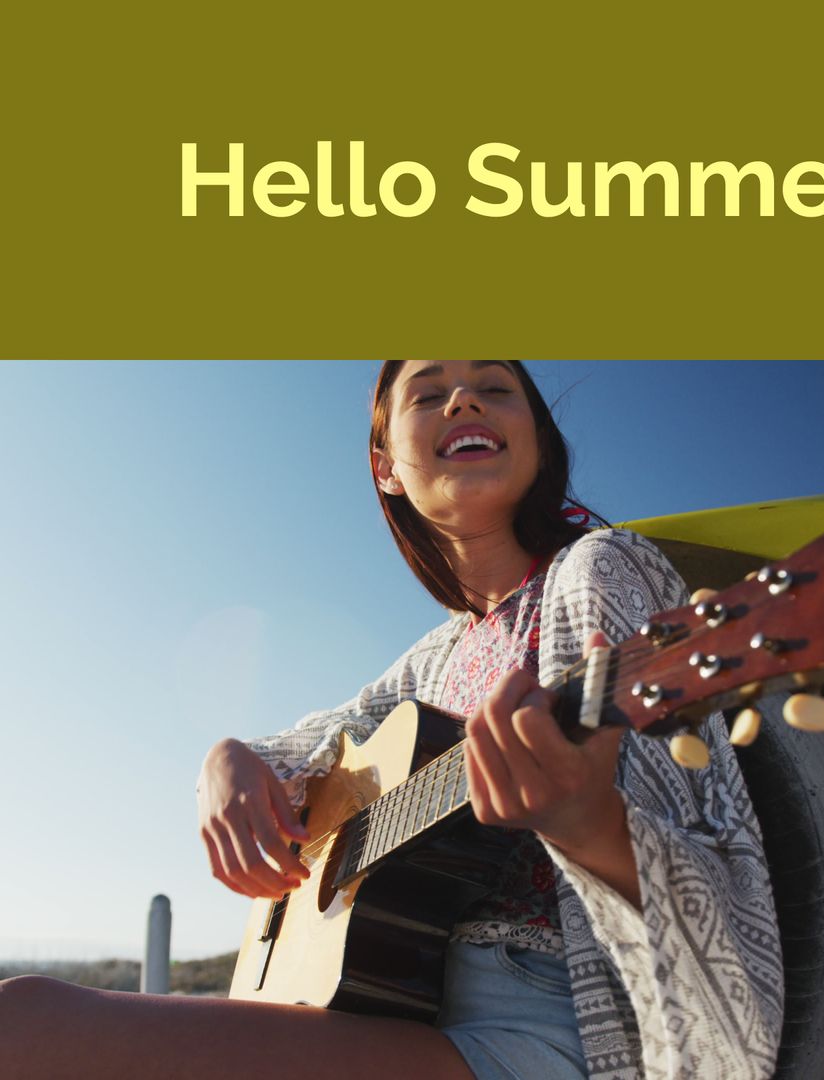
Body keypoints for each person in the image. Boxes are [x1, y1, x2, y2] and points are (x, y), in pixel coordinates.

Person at [0, 360, 783, 1079]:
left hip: (555, 1024)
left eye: (494, 385)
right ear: (386, 468)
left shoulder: (600, 572)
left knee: (30, 1026)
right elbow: (309, 741)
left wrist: (589, 824)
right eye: (429, 389)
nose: (465, 397)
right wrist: (227, 761)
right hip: (410, 1009)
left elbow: (725, 898)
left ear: (538, 443)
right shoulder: (434, 660)